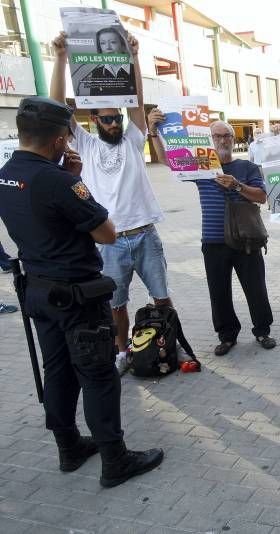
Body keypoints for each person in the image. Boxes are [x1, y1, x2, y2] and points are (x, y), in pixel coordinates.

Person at [0, 97, 163, 487]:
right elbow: (105, 232)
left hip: (37, 293)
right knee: (98, 374)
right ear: (59, 142)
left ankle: (69, 447)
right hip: (76, 296)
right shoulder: (60, 181)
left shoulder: (6, 174)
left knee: (57, 370)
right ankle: (115, 458)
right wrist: (73, 178)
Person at [51, 31, 171, 374]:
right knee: (116, 305)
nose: (114, 123)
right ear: (94, 122)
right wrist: (60, 58)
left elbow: (136, 102)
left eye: (116, 117)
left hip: (145, 234)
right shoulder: (86, 145)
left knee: (162, 298)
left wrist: (134, 57)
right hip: (110, 242)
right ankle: (123, 353)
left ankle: (167, 342)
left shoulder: (133, 140)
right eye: (107, 119)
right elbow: (58, 108)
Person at [148, 111, 277, 356]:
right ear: (210, 139)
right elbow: (168, 160)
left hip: (245, 239)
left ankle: (262, 330)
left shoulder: (246, 166)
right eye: (217, 136)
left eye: (227, 135)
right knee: (218, 291)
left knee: (255, 287)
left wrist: (237, 185)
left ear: (232, 138)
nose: (223, 140)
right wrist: (153, 131)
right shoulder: (201, 166)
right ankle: (227, 335)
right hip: (213, 240)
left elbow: (262, 196)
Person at [80, 27, 136, 98]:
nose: (108, 47)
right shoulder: (96, 73)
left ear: (122, 45)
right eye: (103, 43)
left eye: (113, 42)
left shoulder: (134, 70)